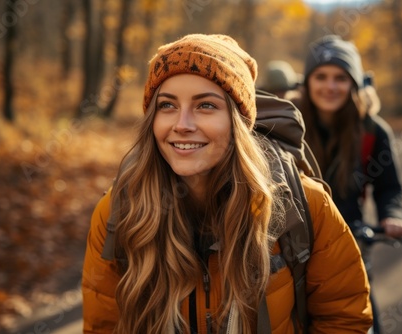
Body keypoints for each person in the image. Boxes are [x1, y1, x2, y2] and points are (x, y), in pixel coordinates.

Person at [82, 33, 372, 333]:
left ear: (239, 124)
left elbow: (344, 319)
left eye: (205, 106)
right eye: (167, 106)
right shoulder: (118, 211)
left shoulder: (304, 206)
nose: (182, 125)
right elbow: (104, 326)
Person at [299, 35, 402, 333]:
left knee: (359, 317)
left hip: (351, 241)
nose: (330, 86)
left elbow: (389, 186)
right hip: (294, 240)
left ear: (354, 83)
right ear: (307, 81)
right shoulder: (288, 123)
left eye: (340, 77)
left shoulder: (373, 131)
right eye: (321, 76)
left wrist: (392, 214)